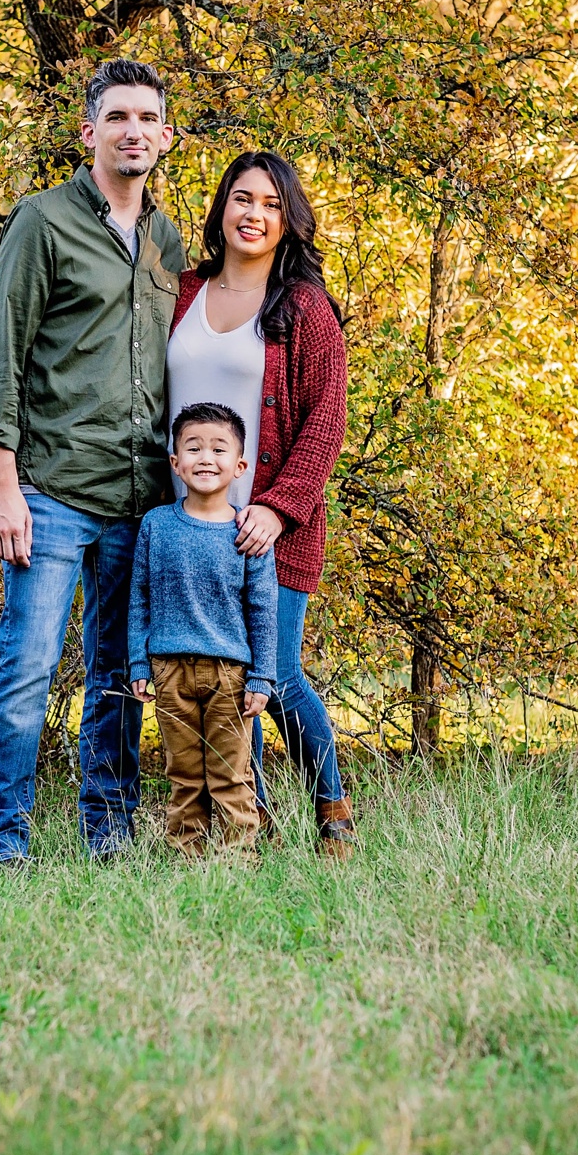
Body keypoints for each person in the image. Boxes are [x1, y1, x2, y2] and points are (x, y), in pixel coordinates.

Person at [0, 60, 186, 867]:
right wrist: (2, 485)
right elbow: (3, 356)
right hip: (51, 491)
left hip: (139, 497)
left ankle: (110, 833)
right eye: (117, 117)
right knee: (25, 671)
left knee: (121, 679)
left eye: (147, 118)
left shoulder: (166, 238)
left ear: (165, 136)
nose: (133, 131)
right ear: (88, 132)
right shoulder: (42, 222)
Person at [168, 151, 355, 858]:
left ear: (289, 220)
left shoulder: (303, 306)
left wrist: (279, 508)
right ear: (220, 209)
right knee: (217, 683)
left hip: (268, 528)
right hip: (191, 527)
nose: (254, 214)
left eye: (272, 204)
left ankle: (332, 807)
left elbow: (326, 420)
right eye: (242, 199)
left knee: (273, 678)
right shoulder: (183, 292)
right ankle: (258, 821)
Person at [128, 402, 278, 856]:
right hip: (169, 672)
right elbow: (139, 596)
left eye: (218, 449)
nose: (205, 458)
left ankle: (236, 862)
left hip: (230, 675)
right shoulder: (156, 525)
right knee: (185, 774)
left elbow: (263, 608)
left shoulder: (247, 530)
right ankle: (187, 861)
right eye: (193, 448)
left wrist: (262, 675)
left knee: (231, 774)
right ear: (175, 463)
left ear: (239, 464)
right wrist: (139, 658)